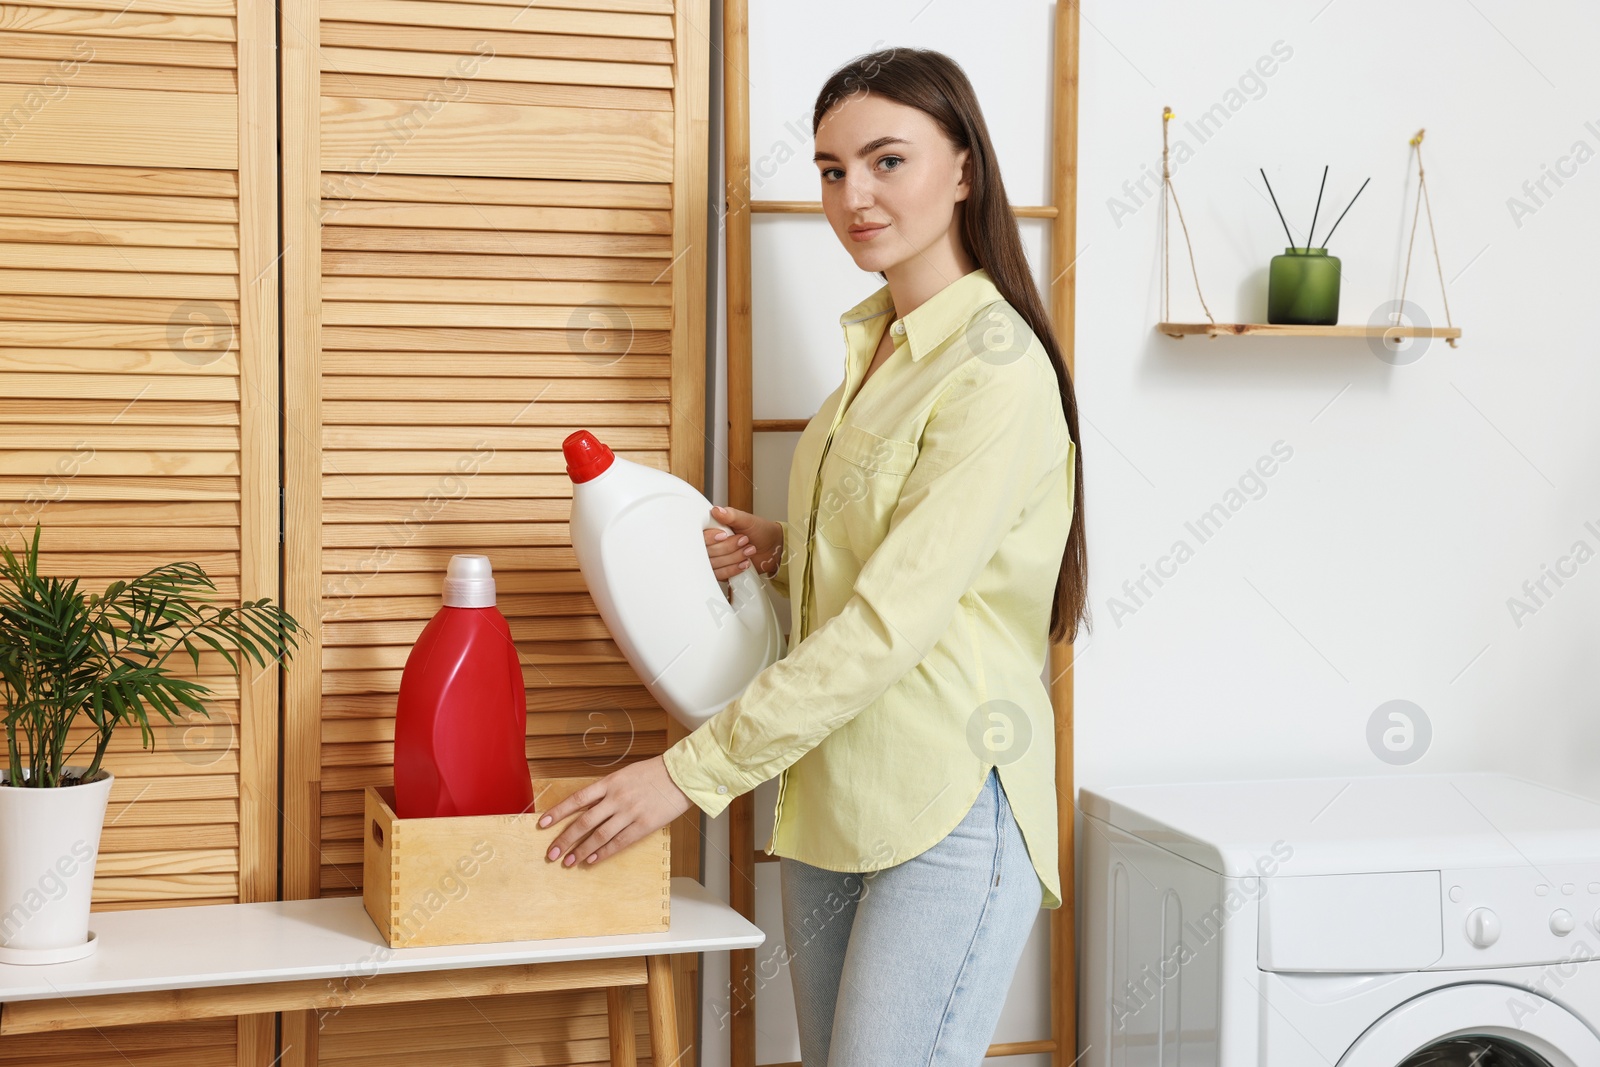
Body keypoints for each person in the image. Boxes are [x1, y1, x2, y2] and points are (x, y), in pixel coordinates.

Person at [536, 46, 1088, 1067]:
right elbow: (894, 558)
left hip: (949, 800)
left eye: (887, 161)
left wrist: (684, 775)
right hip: (832, 791)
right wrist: (785, 549)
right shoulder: (870, 357)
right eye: (832, 170)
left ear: (964, 168)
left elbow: (892, 620)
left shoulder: (994, 371)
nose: (854, 196)